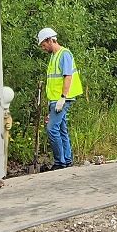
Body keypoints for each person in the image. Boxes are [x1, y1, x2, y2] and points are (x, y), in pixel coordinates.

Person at [36, 27, 84, 169]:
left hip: (62, 99)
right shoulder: (54, 56)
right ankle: (67, 160)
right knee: (61, 129)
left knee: (52, 129)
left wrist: (63, 98)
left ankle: (60, 162)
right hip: (55, 100)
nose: (43, 48)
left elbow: (68, 76)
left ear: (50, 40)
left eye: (44, 45)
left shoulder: (64, 54)